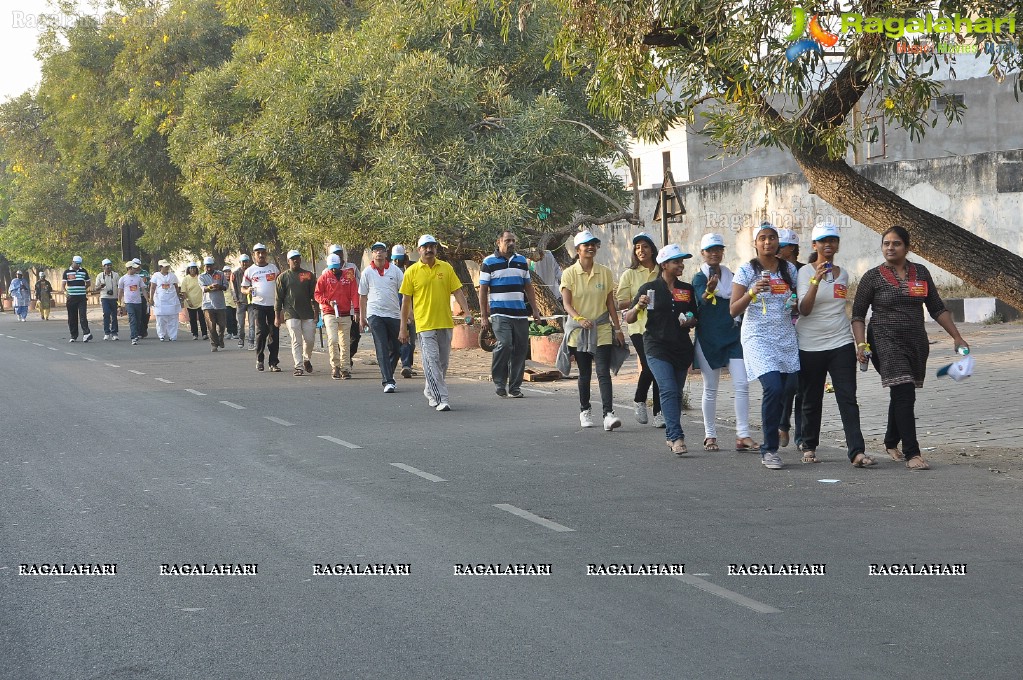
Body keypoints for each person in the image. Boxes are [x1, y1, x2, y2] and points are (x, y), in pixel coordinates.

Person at [851, 225, 968, 471]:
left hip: (915, 341)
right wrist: (861, 344)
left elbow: (936, 307)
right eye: (886, 243)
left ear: (907, 247)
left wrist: (957, 337)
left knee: (901, 391)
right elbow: (858, 315)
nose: (890, 248)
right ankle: (912, 453)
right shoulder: (872, 277)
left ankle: (891, 440)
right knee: (904, 390)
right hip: (883, 340)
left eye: (896, 243)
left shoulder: (921, 273)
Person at [794, 223, 871, 466]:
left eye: (833, 240)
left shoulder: (844, 274)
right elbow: (804, 310)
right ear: (814, 245)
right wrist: (816, 281)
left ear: (837, 245)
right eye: (823, 241)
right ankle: (809, 445)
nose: (828, 245)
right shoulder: (805, 272)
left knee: (848, 397)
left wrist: (859, 344)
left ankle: (857, 451)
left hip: (840, 342)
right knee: (811, 398)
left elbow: (839, 309)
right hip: (810, 345)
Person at [730, 222, 800, 470]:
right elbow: (733, 309)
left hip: (784, 334)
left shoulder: (789, 269)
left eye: (772, 238)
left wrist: (794, 304)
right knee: (772, 387)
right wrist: (751, 293)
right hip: (757, 336)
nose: (768, 242)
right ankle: (769, 449)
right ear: (755, 243)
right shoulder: (747, 270)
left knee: (789, 387)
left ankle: (782, 426)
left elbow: (796, 301)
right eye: (763, 238)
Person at [624, 244, 699, 454]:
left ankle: (670, 435)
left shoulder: (687, 289)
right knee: (667, 389)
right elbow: (629, 317)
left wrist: (689, 321)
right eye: (676, 262)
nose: (681, 265)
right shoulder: (650, 289)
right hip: (656, 347)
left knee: (676, 394)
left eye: (682, 261)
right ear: (664, 265)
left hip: (681, 348)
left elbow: (694, 317)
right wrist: (639, 305)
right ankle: (677, 437)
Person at [557, 230, 628, 431]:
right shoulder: (569, 273)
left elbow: (610, 304)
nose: (590, 247)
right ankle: (585, 409)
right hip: (580, 330)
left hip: (602, 328)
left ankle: (608, 414)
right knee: (585, 373)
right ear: (578, 249)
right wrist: (579, 319)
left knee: (603, 371)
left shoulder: (604, 272)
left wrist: (618, 328)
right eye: (586, 245)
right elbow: (567, 304)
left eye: (593, 244)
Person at [692, 233, 757, 452]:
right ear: (703, 253)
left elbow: (741, 299)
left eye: (718, 249)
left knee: (742, 384)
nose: (714, 253)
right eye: (710, 250)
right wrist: (710, 290)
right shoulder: (699, 278)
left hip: (732, 336)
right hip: (708, 338)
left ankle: (743, 434)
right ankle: (710, 435)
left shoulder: (732, 276)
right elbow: (701, 299)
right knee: (710, 388)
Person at [398, 234, 473, 411]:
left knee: (442, 363)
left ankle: (430, 390)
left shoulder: (446, 268)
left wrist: (467, 312)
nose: (429, 249)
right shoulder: (412, 272)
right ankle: (442, 399)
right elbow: (406, 301)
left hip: (445, 323)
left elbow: (458, 292)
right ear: (419, 250)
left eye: (432, 246)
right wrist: (403, 327)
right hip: (424, 325)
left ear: (436, 249)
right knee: (431, 361)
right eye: (425, 247)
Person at [480, 230, 541, 398]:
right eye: (507, 240)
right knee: (505, 344)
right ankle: (499, 381)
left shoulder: (521, 261)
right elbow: (483, 290)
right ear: (498, 242)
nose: (511, 243)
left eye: (513, 240)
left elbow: (528, 287)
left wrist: (535, 310)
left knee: (521, 349)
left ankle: (515, 387)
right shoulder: (489, 262)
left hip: (520, 314)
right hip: (500, 313)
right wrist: (484, 316)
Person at [615, 232, 662, 426]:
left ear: (652, 249)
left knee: (660, 367)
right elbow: (620, 302)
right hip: (638, 326)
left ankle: (659, 412)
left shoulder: (661, 270)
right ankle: (639, 399)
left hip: (661, 326)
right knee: (650, 365)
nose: (641, 250)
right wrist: (639, 299)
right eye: (637, 248)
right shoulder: (630, 274)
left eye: (645, 246)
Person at [359, 242, 405, 392]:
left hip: (393, 314)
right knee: (381, 346)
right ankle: (388, 381)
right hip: (375, 314)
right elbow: (363, 296)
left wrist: (408, 313)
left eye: (381, 251)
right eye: (376, 251)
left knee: (398, 348)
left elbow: (405, 293)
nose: (378, 253)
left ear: (386, 254)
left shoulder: (395, 271)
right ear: (372, 254)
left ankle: (388, 372)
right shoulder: (367, 272)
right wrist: (362, 317)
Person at [775, 227, 804, 450]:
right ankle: (782, 424)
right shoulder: (775, 271)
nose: (776, 249)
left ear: (792, 248)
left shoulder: (805, 272)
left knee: (803, 385)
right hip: (781, 331)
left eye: (781, 245)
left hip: (805, 330)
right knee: (788, 384)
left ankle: (802, 436)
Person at [315, 252, 360, 380]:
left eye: (337, 266)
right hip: (329, 312)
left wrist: (356, 310)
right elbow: (317, 294)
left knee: (344, 342)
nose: (334, 269)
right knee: (333, 339)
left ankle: (345, 368)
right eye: (332, 267)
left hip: (345, 313)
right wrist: (327, 301)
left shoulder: (349, 275)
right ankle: (335, 366)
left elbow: (354, 293)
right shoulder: (324, 277)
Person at [276, 249, 318, 376]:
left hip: (307, 312)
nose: (296, 260)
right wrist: (277, 316)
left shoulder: (308, 275)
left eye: (298, 258)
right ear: (288, 261)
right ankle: (298, 366)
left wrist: (317, 311)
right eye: (293, 258)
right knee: (296, 340)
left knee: (310, 340)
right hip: (291, 313)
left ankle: (306, 359)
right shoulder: (283, 277)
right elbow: (278, 298)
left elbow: (315, 295)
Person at [242, 244, 281, 372]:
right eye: (258, 253)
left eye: (263, 252)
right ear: (254, 255)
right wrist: (248, 290)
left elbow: (281, 284)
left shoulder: (273, 268)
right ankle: (259, 359)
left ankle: (273, 362)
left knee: (274, 333)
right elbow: (243, 288)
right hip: (258, 305)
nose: (260, 255)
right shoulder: (250, 270)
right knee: (261, 331)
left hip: (273, 305)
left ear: (266, 254)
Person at [392, 245, 416, 377]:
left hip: (410, 308)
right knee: (402, 338)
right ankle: (405, 364)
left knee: (411, 340)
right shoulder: (389, 269)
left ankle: (408, 365)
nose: (396, 262)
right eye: (394, 259)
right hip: (395, 308)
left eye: (399, 259)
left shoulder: (412, 268)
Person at [198, 256, 229, 352]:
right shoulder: (201, 276)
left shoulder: (220, 274)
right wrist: (210, 287)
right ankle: (214, 344)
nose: (209, 268)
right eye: (207, 266)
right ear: (204, 266)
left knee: (222, 325)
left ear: (214, 265)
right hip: (208, 305)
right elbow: (204, 289)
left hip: (220, 304)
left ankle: (220, 339)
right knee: (211, 326)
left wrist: (219, 286)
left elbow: (226, 286)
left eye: (210, 266)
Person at [149, 259, 182, 341]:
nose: (167, 268)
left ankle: (173, 336)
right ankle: (161, 335)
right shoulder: (156, 276)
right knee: (161, 320)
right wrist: (151, 298)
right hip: (160, 301)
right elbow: (152, 288)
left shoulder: (172, 276)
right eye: (165, 266)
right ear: (161, 267)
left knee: (173, 318)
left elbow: (176, 286)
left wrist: (178, 297)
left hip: (172, 299)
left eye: (167, 266)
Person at [62, 255, 93, 342]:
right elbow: (63, 285)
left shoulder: (83, 271)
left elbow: (88, 283)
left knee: (83, 315)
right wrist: (66, 292)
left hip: (81, 297)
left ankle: (86, 333)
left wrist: (83, 288)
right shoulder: (67, 272)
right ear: (73, 262)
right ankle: (73, 335)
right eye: (77, 264)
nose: (78, 265)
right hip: (71, 297)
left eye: (79, 264)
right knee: (72, 317)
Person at [117, 261, 147, 345]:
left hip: (138, 302)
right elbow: (120, 292)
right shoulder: (123, 279)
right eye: (134, 268)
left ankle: (136, 334)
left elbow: (143, 289)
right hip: (129, 302)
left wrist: (147, 299)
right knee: (132, 319)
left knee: (138, 320)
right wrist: (119, 304)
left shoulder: (138, 278)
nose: (136, 269)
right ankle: (133, 337)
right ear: (129, 268)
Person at [232, 254, 255, 349]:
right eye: (243, 261)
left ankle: (251, 341)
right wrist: (235, 299)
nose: (245, 263)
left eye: (246, 261)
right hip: (240, 301)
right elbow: (233, 288)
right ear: (240, 263)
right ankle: (241, 339)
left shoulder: (253, 272)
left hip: (252, 301)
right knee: (241, 324)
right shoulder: (235, 273)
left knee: (252, 324)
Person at [180, 262, 208, 340]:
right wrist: (188, 300)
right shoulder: (186, 279)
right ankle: (195, 334)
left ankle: (204, 334)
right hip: (190, 302)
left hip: (200, 302)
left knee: (202, 318)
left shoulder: (200, 277)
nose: (192, 270)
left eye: (194, 268)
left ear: (196, 269)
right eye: (191, 268)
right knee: (192, 319)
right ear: (188, 270)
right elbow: (183, 291)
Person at [94, 259, 120, 340]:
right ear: (103, 267)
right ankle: (106, 332)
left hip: (114, 297)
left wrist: (120, 299)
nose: (109, 267)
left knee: (114, 315)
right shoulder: (99, 276)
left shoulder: (115, 275)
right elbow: (96, 288)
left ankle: (114, 333)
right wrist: (100, 286)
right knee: (106, 313)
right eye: (107, 265)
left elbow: (119, 287)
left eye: (110, 265)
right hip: (104, 297)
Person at [136, 259, 151, 338]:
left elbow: (149, 284)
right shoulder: (132, 274)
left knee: (146, 314)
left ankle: (144, 329)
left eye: (137, 264)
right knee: (139, 315)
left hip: (144, 296)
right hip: (135, 297)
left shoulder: (145, 273)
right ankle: (140, 332)